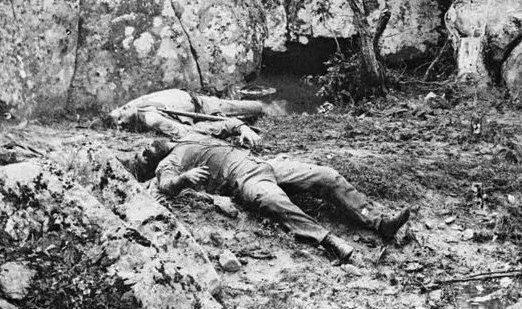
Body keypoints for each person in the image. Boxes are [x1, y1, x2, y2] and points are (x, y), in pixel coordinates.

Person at [110, 89, 410, 264]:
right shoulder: (170, 162)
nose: (147, 148)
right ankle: (331, 241)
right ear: (153, 164)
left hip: (263, 164)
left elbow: (223, 125)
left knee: (326, 175)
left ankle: (379, 223)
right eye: (145, 157)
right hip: (245, 180)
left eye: (144, 148)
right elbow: (166, 185)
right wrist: (185, 179)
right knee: (272, 199)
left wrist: (241, 128)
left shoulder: (186, 134)